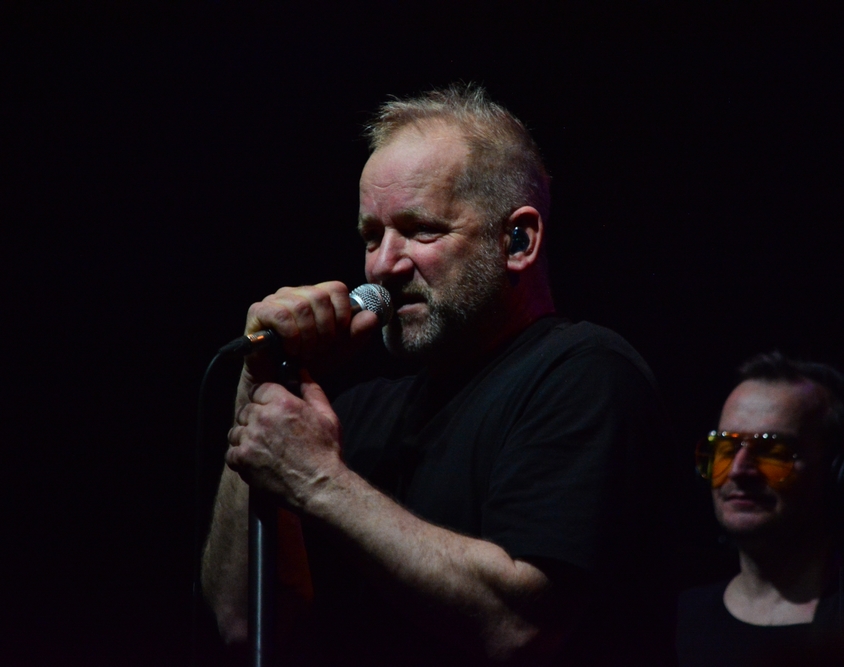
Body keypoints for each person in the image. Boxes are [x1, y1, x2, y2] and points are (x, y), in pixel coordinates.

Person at [201, 84, 671, 666]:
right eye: (371, 236)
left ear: (518, 240)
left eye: (421, 229)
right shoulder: (354, 413)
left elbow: (519, 626)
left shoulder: (585, 374)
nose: (383, 265)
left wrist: (319, 480)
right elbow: (243, 623)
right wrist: (261, 379)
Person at [675, 352, 844, 667]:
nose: (738, 471)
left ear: (838, 472)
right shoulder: (674, 620)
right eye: (726, 449)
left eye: (773, 451)